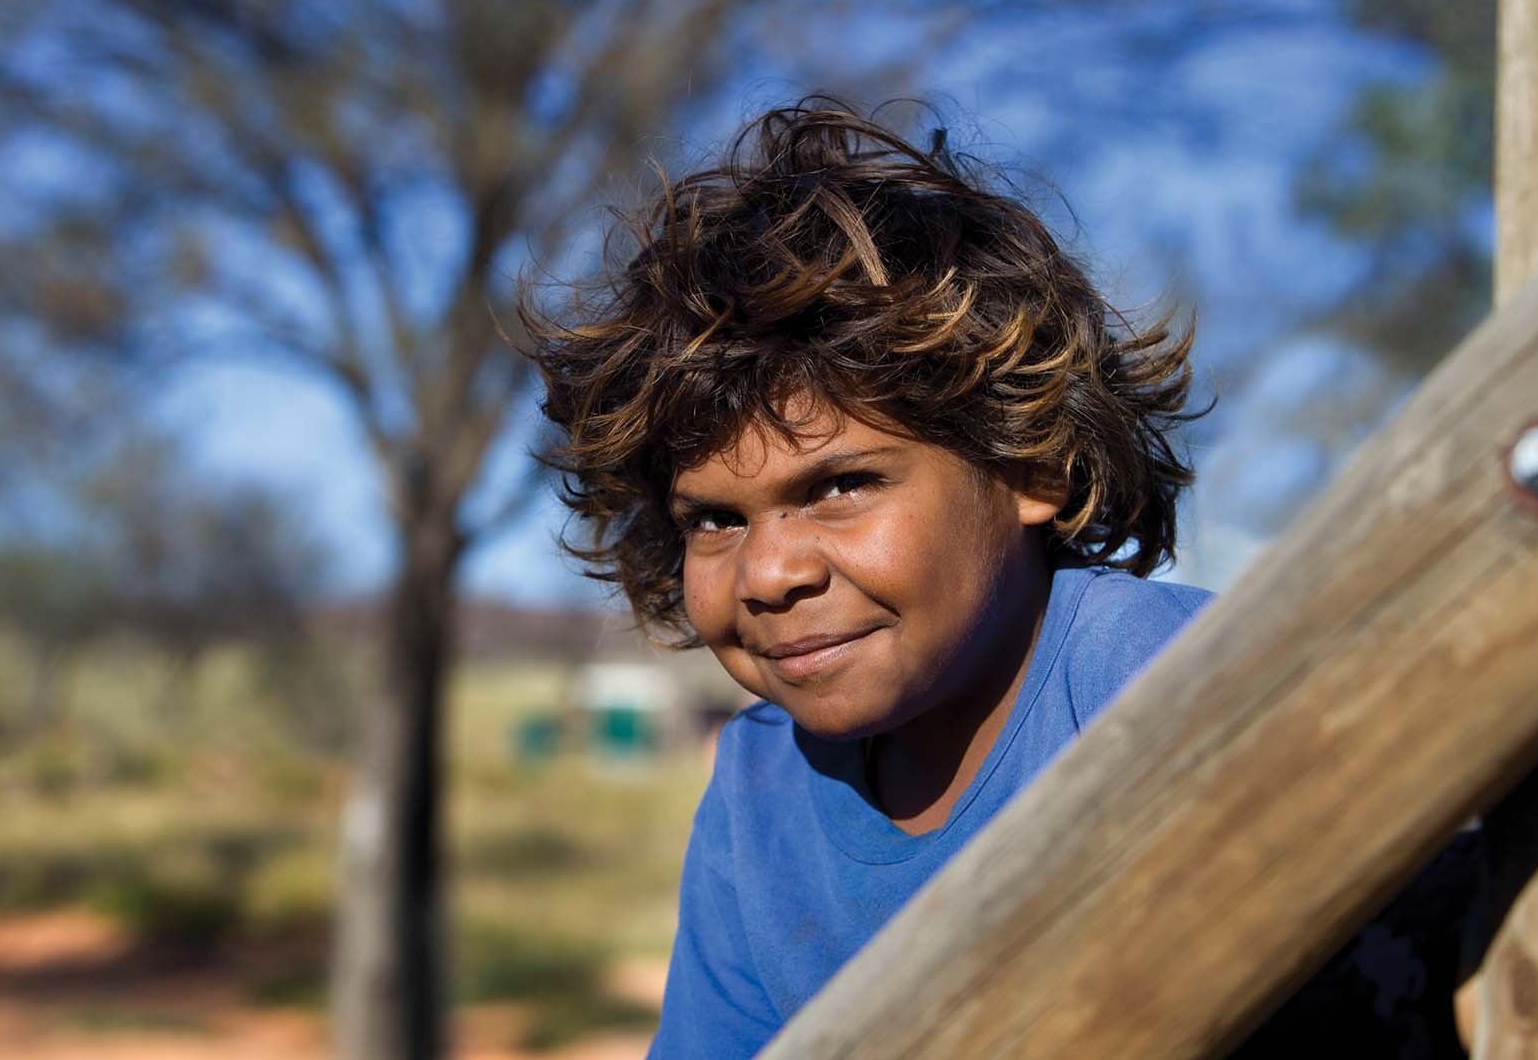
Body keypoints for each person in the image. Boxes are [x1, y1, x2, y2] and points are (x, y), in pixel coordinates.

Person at [524, 99, 1475, 1059]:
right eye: (716, 519)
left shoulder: (1178, 688)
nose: (769, 573)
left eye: (843, 485)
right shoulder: (760, 786)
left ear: (1031, 464)